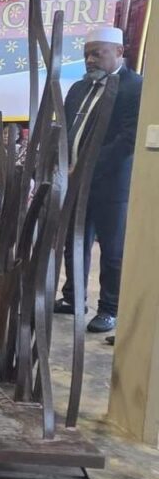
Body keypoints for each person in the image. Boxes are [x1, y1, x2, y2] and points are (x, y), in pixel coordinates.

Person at [56, 26, 143, 333]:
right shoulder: (80, 88)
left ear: (119, 52)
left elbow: (127, 139)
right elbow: (66, 130)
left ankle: (109, 308)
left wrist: (88, 168)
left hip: (110, 184)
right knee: (73, 241)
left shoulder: (135, 87)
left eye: (97, 53)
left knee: (111, 247)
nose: (90, 60)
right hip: (73, 181)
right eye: (86, 55)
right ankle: (73, 297)